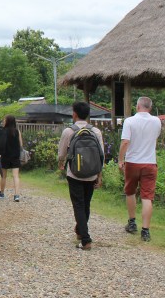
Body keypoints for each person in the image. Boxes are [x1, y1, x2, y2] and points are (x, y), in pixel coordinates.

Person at [58, 101, 104, 250]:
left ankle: (85, 240)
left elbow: (62, 153)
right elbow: (101, 155)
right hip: (91, 174)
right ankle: (80, 231)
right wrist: (99, 175)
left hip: (74, 173)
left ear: (74, 114)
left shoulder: (69, 131)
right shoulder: (96, 132)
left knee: (78, 205)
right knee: (86, 204)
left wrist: (61, 163)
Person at [118, 96, 162, 242]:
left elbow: (125, 142)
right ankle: (145, 230)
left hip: (132, 161)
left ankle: (132, 222)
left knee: (130, 192)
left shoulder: (129, 121)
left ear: (137, 107)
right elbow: (154, 139)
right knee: (147, 197)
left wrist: (120, 160)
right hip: (150, 162)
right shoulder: (157, 121)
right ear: (149, 107)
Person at [0, 115, 23, 202]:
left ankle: (2, 192)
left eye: (4, 120)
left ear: (7, 121)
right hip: (15, 156)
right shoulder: (17, 131)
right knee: (16, 176)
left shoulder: (3, 131)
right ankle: (17, 195)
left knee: (4, 176)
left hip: (5, 156)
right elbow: (21, 145)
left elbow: (0, 144)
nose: (3, 121)